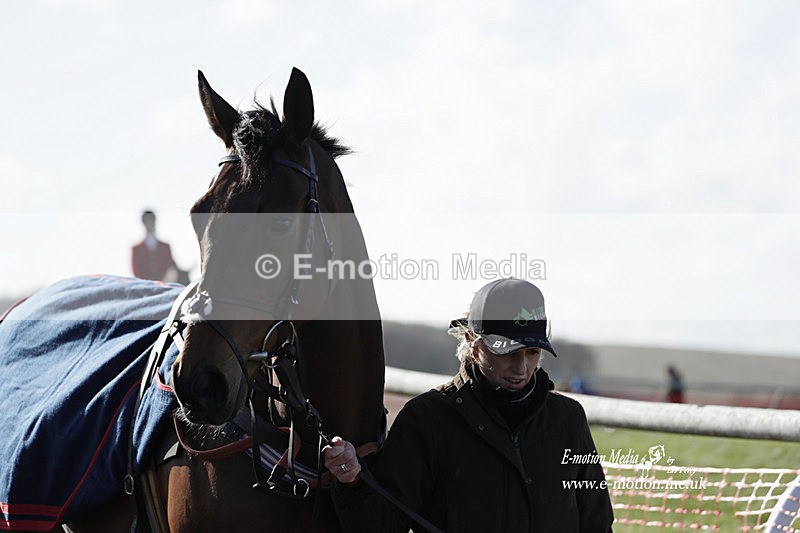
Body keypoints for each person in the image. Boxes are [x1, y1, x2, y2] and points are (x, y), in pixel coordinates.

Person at [323, 278, 614, 532]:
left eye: (532, 352)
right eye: (508, 352)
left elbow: (596, 522)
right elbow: (383, 525)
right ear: (472, 342)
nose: (522, 367)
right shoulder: (427, 419)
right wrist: (354, 484)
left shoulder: (568, 419)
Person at [131, 210, 177, 281]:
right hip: (144, 286)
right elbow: (136, 270)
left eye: (151, 220)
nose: (150, 223)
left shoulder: (165, 246)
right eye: (147, 221)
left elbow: (170, 267)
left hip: (165, 285)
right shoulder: (136, 248)